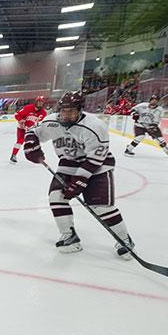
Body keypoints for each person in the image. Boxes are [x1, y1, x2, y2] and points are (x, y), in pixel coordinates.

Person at [24, 91, 135, 258]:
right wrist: (30, 143)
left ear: (80, 110)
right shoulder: (51, 122)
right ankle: (70, 236)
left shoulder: (94, 126)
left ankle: (125, 239)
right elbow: (33, 131)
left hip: (97, 167)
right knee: (56, 197)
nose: (66, 115)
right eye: (63, 110)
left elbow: (96, 157)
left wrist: (80, 180)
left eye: (72, 111)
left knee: (100, 207)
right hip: (68, 164)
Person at [11, 96, 46, 164]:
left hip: (30, 129)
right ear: (35, 102)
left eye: (41, 103)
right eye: (38, 102)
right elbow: (17, 115)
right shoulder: (28, 108)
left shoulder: (43, 113)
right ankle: (13, 155)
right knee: (20, 141)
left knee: (35, 140)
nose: (40, 104)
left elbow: (40, 121)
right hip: (22, 127)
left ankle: (37, 155)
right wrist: (21, 120)